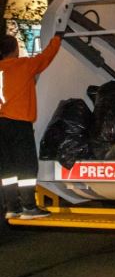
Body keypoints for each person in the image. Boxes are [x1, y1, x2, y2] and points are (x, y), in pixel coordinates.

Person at [0, 32, 62, 220]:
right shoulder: (23, 66)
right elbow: (46, 57)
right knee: (26, 165)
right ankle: (29, 207)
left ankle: (13, 207)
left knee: (7, 168)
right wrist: (57, 39)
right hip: (18, 123)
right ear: (15, 50)